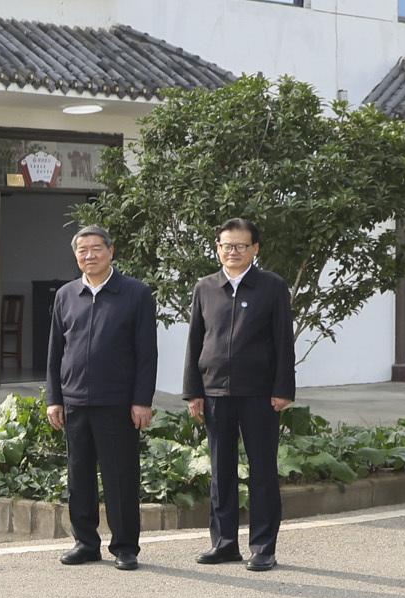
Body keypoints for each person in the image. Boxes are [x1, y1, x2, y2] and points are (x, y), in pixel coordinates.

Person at [38, 225, 158, 570]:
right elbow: (55, 351)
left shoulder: (134, 293)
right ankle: (85, 542)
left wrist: (141, 400)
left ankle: (125, 546)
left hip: (117, 401)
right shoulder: (66, 295)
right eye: (82, 251)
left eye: (95, 249)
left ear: (111, 251)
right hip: (75, 401)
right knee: (79, 476)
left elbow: (146, 353)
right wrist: (54, 398)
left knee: (120, 475)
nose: (89, 256)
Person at [177, 221, 293, 571]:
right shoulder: (205, 287)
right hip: (214, 392)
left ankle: (263, 548)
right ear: (217, 248)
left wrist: (282, 388)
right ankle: (224, 543)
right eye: (227, 245)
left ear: (255, 248)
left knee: (262, 471)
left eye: (242, 246)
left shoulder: (271, 287)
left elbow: (283, 342)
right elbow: (195, 340)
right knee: (221, 470)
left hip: (259, 393)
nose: (234, 252)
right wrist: (192, 391)